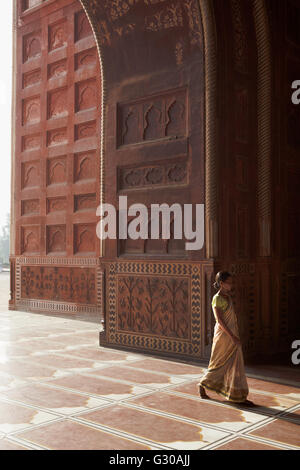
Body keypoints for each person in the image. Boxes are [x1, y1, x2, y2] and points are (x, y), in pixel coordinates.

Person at [198, 271, 254, 406]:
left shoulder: (227, 296)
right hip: (224, 337)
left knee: (236, 364)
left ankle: (238, 395)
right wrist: (233, 336)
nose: (231, 285)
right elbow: (220, 321)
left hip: (232, 335)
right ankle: (202, 384)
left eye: (231, 282)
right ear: (221, 284)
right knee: (218, 364)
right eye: (229, 282)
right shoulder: (217, 299)